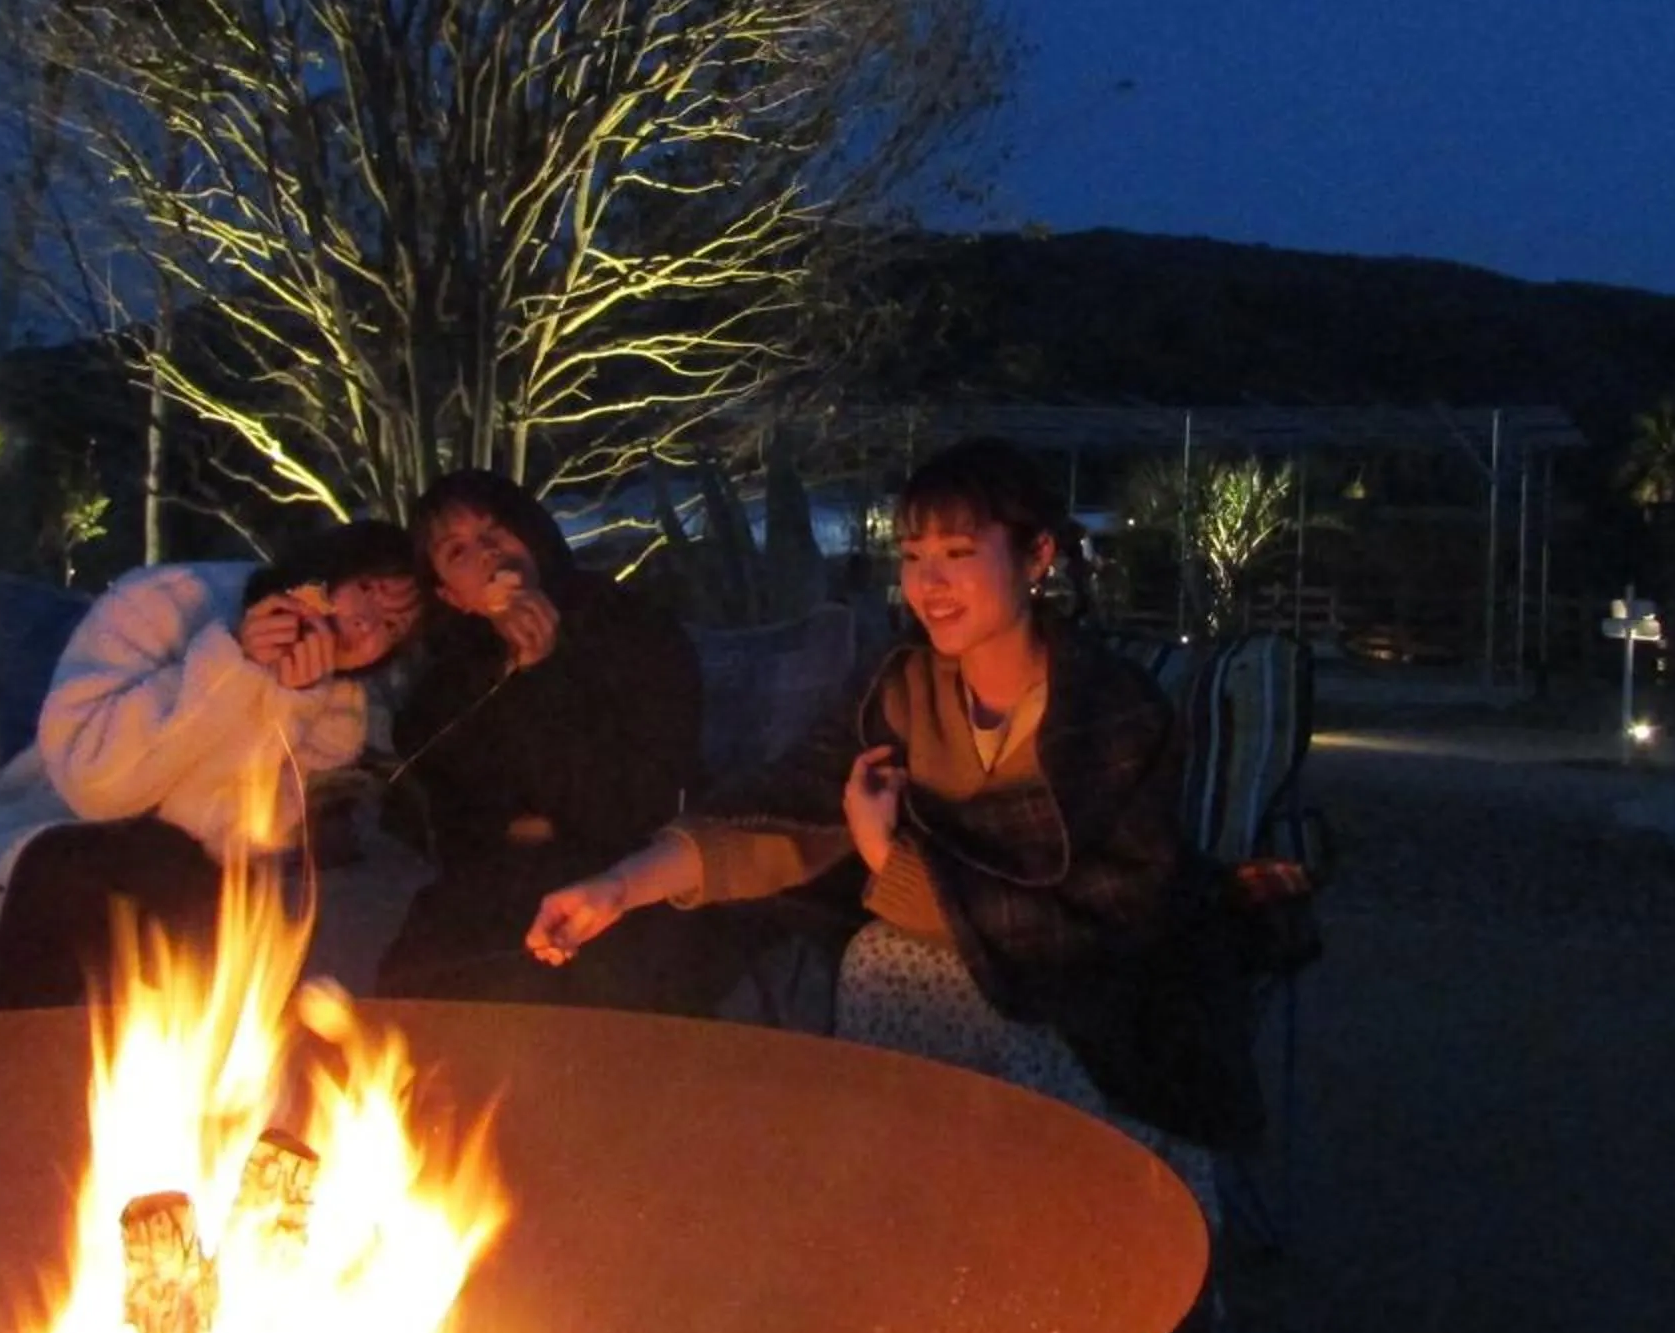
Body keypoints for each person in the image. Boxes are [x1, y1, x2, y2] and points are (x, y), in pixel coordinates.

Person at [526, 437, 1260, 1209]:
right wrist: (618, 887)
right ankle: (914, 1217)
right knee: (885, 962)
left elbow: (1102, 926)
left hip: (1109, 1002)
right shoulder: (901, 691)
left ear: (1037, 556)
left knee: (900, 966)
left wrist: (884, 853)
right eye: (913, 556)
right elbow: (786, 807)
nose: (929, 583)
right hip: (962, 973)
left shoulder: (1110, 715)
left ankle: (1075, 1235)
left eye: (958, 552)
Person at [0, 521, 424, 1008]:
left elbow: (235, 837)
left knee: (221, 903)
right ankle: (25, 1068)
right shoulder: (164, 603)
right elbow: (96, 789)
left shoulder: (333, 712)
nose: (366, 625)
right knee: (97, 879)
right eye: (366, 590)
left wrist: (285, 702)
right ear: (326, 572)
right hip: (53, 834)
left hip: (187, 880)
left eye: (391, 627)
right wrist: (229, 662)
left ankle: (214, 1076)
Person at [371, 467, 742, 1012]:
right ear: (451, 595)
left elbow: (641, 787)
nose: (489, 554)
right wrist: (505, 825)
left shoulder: (631, 626)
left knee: (587, 987)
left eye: (497, 531)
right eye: (458, 551)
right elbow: (436, 808)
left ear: (533, 532)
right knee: (421, 980)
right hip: (494, 884)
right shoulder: (452, 677)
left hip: (629, 875)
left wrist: (544, 673)